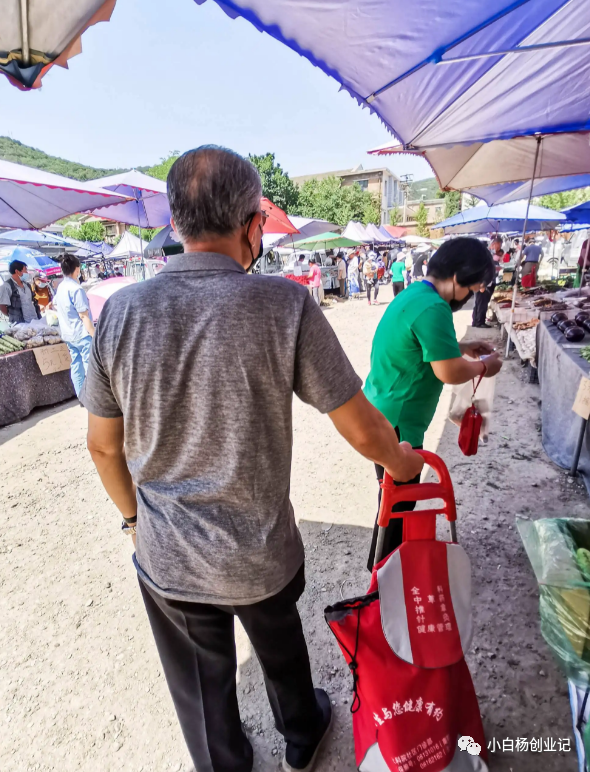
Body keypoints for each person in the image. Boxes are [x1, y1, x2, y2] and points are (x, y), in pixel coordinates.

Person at [81, 146, 423, 772]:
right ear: (252, 224)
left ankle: (226, 761)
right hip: (260, 552)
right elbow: (362, 426)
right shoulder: (282, 303)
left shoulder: (120, 313)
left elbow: (103, 446)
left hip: (168, 556)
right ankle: (302, 735)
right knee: (281, 647)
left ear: (177, 222)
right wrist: (404, 466)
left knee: (201, 682)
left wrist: (135, 521)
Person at [364, 237, 503, 568]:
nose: (472, 294)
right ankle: (384, 577)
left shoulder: (415, 295)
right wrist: (485, 366)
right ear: (457, 278)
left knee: (391, 496)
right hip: (398, 421)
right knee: (398, 501)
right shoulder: (435, 306)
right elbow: (449, 371)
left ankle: (381, 568)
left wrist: (462, 345)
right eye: (474, 287)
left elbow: (423, 346)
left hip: (381, 410)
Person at [54, 255, 95, 397]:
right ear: (77, 269)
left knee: (76, 366)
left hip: (68, 335)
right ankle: (93, 398)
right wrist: (93, 334)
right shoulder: (76, 289)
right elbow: (83, 316)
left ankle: (81, 396)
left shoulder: (61, 287)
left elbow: (54, 305)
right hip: (82, 334)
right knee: (89, 366)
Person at [472, 237, 502, 328]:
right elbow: (483, 271)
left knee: (478, 303)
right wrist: (483, 283)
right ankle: (480, 322)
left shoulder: (478, 256)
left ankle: (475, 321)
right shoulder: (482, 257)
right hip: (481, 283)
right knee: (482, 303)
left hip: (479, 282)